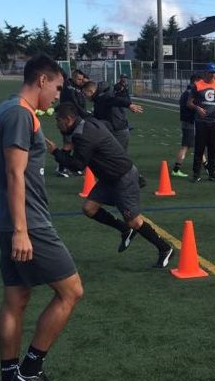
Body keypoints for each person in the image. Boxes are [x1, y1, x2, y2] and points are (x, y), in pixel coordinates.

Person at [0, 54, 82, 381]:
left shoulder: (8, 109)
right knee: (71, 292)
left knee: (17, 296)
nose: (58, 96)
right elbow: (15, 174)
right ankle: (29, 371)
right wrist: (22, 230)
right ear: (42, 80)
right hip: (27, 223)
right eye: (57, 87)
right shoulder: (18, 114)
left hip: (11, 221)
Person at [47, 103, 174, 268]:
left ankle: (165, 248)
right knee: (89, 209)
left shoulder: (83, 135)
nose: (57, 125)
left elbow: (78, 165)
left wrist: (56, 152)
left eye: (58, 121)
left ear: (69, 119)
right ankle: (124, 229)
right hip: (109, 177)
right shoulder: (86, 123)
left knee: (134, 221)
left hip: (123, 177)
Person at [188, 62, 215, 182]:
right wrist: (197, 108)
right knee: (199, 148)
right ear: (205, 73)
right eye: (210, 72)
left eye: (214, 72)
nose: (212, 75)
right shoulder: (197, 85)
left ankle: (212, 172)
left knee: (212, 148)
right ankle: (196, 173)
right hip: (201, 121)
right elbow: (189, 103)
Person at [84, 80, 144, 151]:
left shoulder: (103, 97)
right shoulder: (99, 97)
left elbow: (115, 100)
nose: (85, 96)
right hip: (113, 129)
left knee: (118, 156)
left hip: (118, 131)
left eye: (85, 94)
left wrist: (129, 105)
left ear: (91, 91)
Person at [55, 69, 89, 177]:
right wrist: (86, 114)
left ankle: (72, 166)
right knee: (68, 144)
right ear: (73, 77)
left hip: (75, 118)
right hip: (67, 119)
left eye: (81, 80)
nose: (80, 81)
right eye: (79, 79)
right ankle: (61, 168)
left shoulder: (77, 87)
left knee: (75, 143)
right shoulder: (69, 87)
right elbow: (75, 103)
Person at [172, 73, 201, 178]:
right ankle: (176, 169)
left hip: (187, 122)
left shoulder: (186, 93)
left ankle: (208, 166)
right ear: (195, 82)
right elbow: (190, 108)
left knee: (198, 145)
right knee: (185, 147)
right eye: (199, 82)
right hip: (189, 123)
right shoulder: (190, 94)